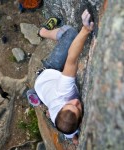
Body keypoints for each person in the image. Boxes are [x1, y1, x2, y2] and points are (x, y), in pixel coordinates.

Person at [31, 9, 94, 144]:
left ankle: (42, 31)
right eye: (77, 107)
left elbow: (72, 59)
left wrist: (85, 29)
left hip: (48, 72)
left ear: (61, 109)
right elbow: (69, 131)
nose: (76, 102)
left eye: (70, 104)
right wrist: (75, 140)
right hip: (46, 91)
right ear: (81, 120)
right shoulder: (64, 124)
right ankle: (37, 97)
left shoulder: (64, 91)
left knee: (70, 34)